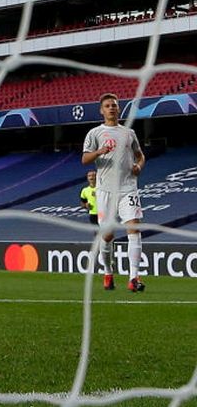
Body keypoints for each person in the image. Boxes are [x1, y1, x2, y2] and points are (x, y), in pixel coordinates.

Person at [81, 93, 147, 292]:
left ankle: (133, 277)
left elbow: (140, 156)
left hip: (128, 188)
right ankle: (108, 272)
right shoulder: (95, 133)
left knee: (134, 229)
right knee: (107, 235)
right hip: (105, 191)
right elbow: (84, 159)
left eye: (114, 105)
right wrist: (99, 152)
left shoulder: (128, 133)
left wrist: (139, 166)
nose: (111, 108)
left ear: (119, 109)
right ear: (102, 110)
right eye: (107, 105)